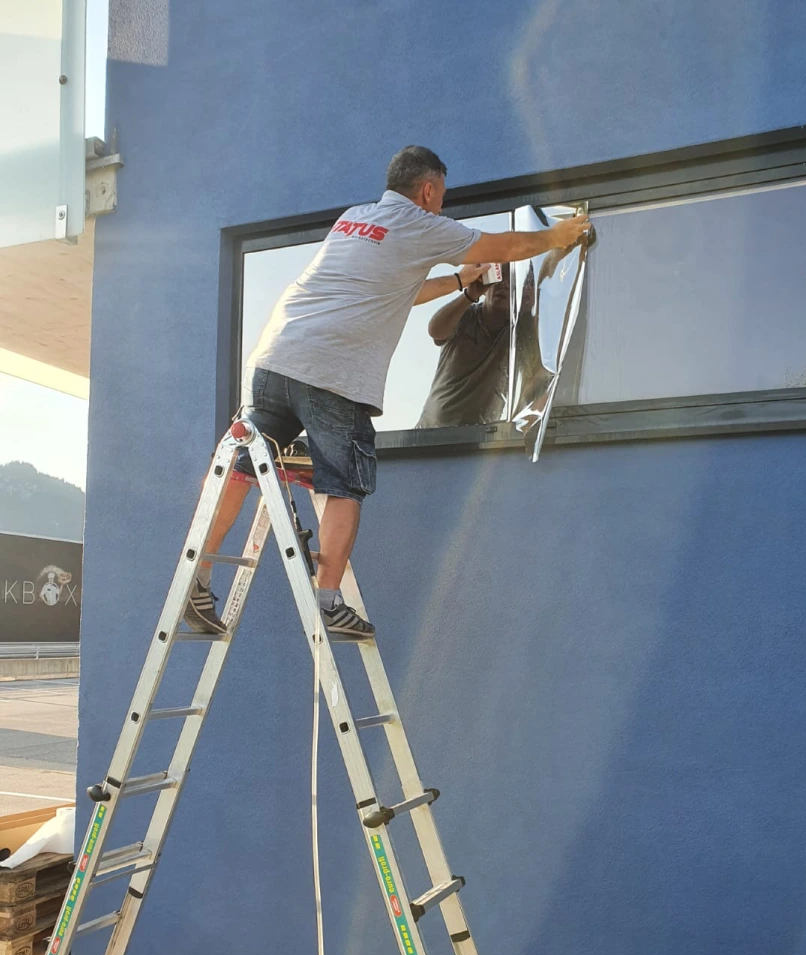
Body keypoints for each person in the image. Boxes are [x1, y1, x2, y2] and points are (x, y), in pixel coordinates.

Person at [186, 145, 591, 639]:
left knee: (242, 469)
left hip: (274, 359)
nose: (442, 207)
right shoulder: (420, 223)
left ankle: (198, 579)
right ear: (428, 190)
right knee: (345, 482)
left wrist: (461, 283)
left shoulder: (356, 220)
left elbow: (398, 291)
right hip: (332, 374)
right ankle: (329, 602)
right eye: (441, 197)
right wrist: (560, 236)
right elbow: (503, 247)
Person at [416, 265, 510, 429]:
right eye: (499, 278)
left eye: (512, 281)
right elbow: (435, 330)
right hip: (432, 431)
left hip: (482, 437)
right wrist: (470, 294)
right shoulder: (466, 315)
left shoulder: (518, 332)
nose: (505, 285)